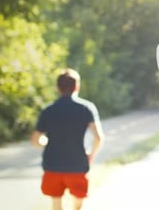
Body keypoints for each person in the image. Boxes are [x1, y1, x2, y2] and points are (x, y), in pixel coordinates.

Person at [31, 68, 104, 210]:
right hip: (77, 164)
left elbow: (35, 140)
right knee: (78, 200)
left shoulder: (48, 110)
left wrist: (46, 143)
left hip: (52, 165)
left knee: (56, 201)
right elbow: (98, 137)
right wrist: (91, 155)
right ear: (77, 86)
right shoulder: (86, 108)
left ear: (57, 88)